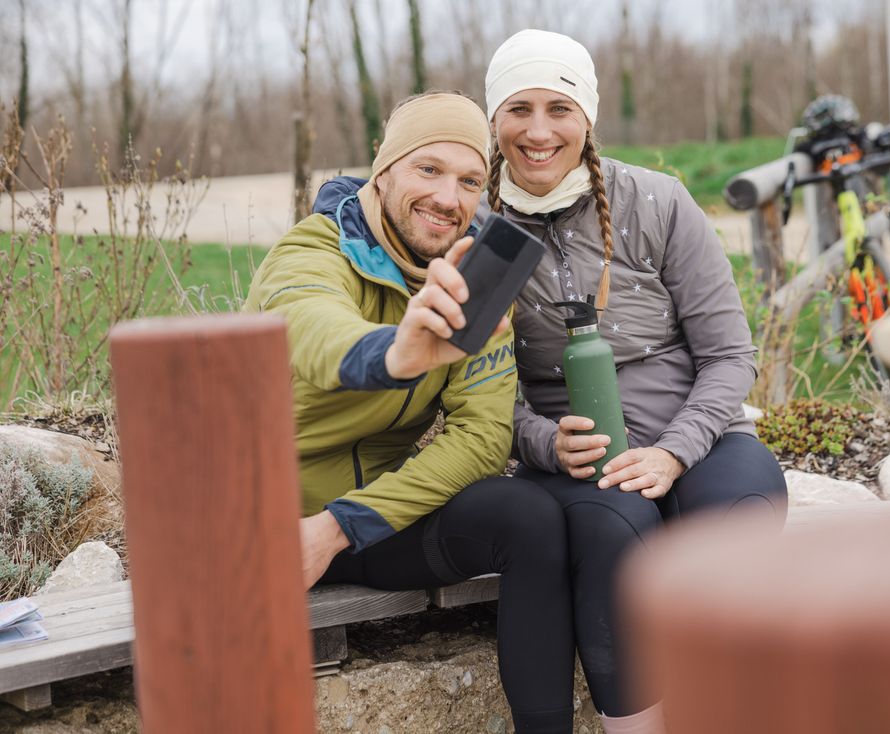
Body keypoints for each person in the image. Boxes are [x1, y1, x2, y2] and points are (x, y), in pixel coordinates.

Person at [481, 30, 789, 733]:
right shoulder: (478, 231)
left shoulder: (657, 200)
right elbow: (478, 391)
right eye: (519, 108)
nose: (538, 131)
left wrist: (675, 451)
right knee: (615, 531)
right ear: (494, 119)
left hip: (700, 438)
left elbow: (729, 355)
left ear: (587, 117)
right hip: (580, 463)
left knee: (737, 513)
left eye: (559, 109)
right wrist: (543, 443)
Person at [244, 92, 575, 734]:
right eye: (429, 169)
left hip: (361, 527)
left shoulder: (474, 277)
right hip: (263, 528)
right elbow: (311, 330)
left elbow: (482, 437)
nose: (449, 198)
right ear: (384, 167)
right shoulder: (313, 251)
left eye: (470, 181)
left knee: (528, 515)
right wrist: (396, 353)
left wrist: (339, 526)